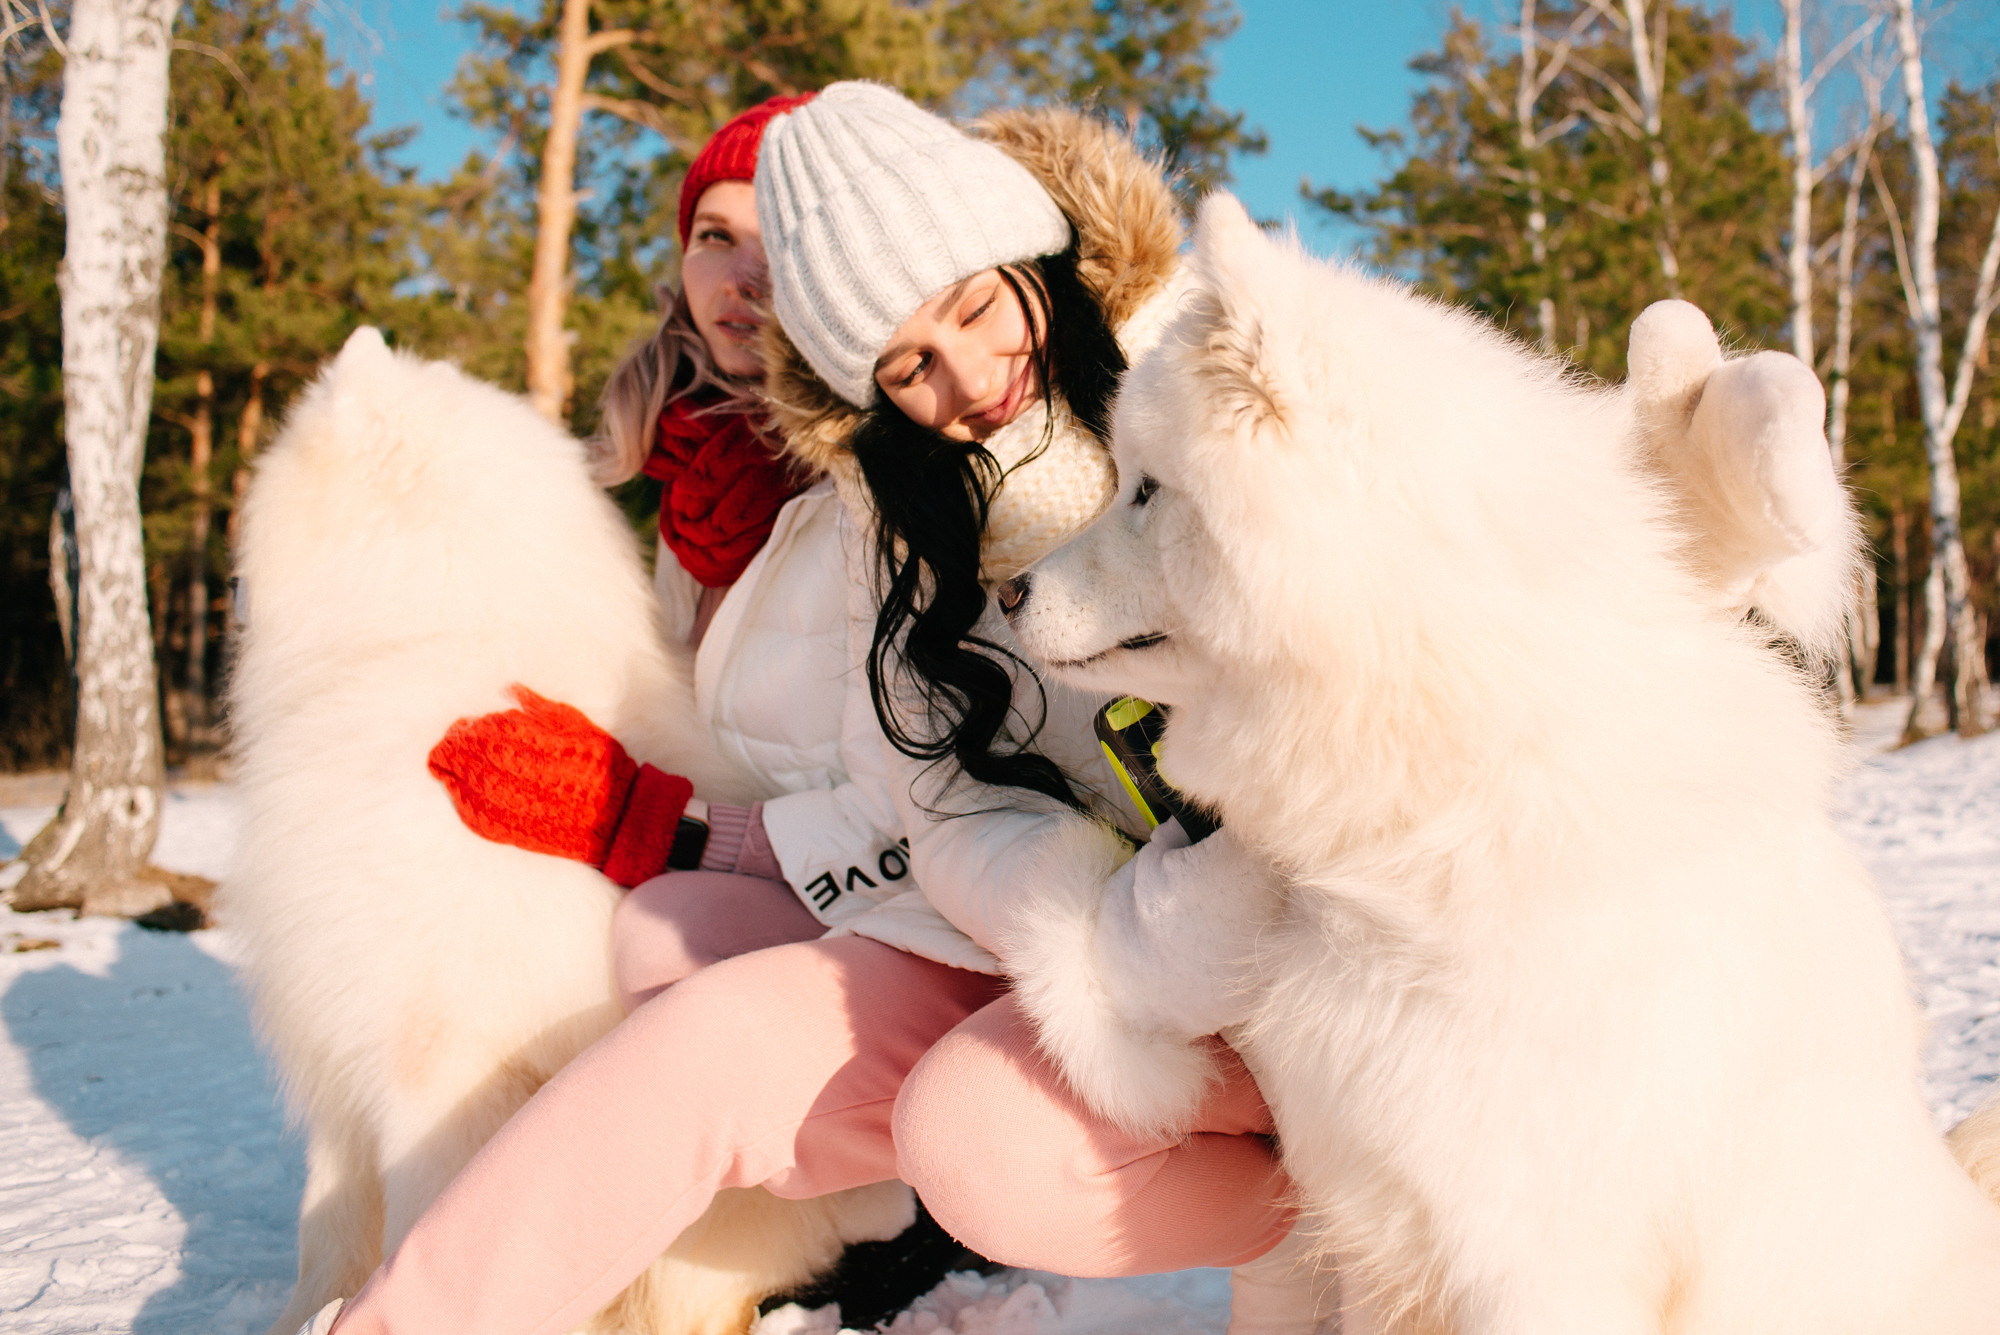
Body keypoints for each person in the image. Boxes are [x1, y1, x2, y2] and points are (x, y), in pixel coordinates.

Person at [302, 83, 1842, 1335]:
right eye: (905, 366)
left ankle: (1365, 1216)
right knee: (711, 1027)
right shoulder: (897, 533)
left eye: (979, 309)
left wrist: (1711, 489)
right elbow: (933, 806)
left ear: (1030, 260)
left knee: (972, 1121)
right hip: (1107, 948)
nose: (966, 377)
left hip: (1363, 949)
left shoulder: (1221, 365)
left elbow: (1487, 502)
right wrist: (1113, 938)